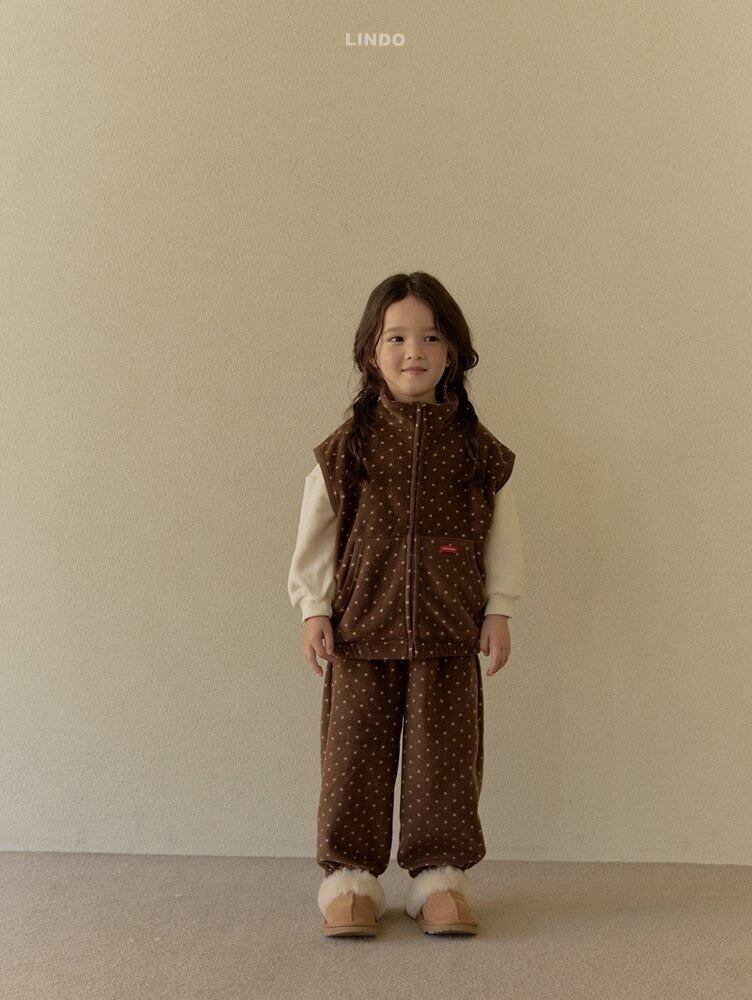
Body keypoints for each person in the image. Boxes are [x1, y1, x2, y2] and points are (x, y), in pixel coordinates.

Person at [287, 271, 524, 937]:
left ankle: (439, 880)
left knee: (443, 762)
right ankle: (349, 881)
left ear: (453, 353)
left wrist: (499, 608)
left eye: (430, 337)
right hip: (361, 631)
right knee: (352, 758)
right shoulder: (348, 448)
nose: (413, 350)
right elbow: (317, 532)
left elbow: (504, 535)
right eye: (396, 337)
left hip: (449, 632)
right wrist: (313, 608)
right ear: (372, 351)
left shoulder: (478, 451)